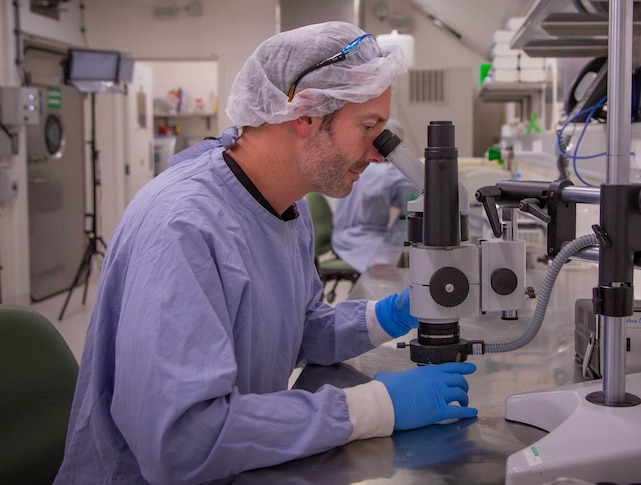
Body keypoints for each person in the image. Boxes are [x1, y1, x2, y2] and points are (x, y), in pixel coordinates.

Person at [54, 21, 477, 485]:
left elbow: (293, 332)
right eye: (370, 127)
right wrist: (374, 406)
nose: (379, 154)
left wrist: (390, 314)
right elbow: (182, 441)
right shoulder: (183, 228)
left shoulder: (283, 206)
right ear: (306, 116)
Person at [331, 119, 420, 272]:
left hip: (341, 236)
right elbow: (412, 196)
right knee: (393, 263)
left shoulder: (355, 167)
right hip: (363, 240)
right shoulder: (386, 174)